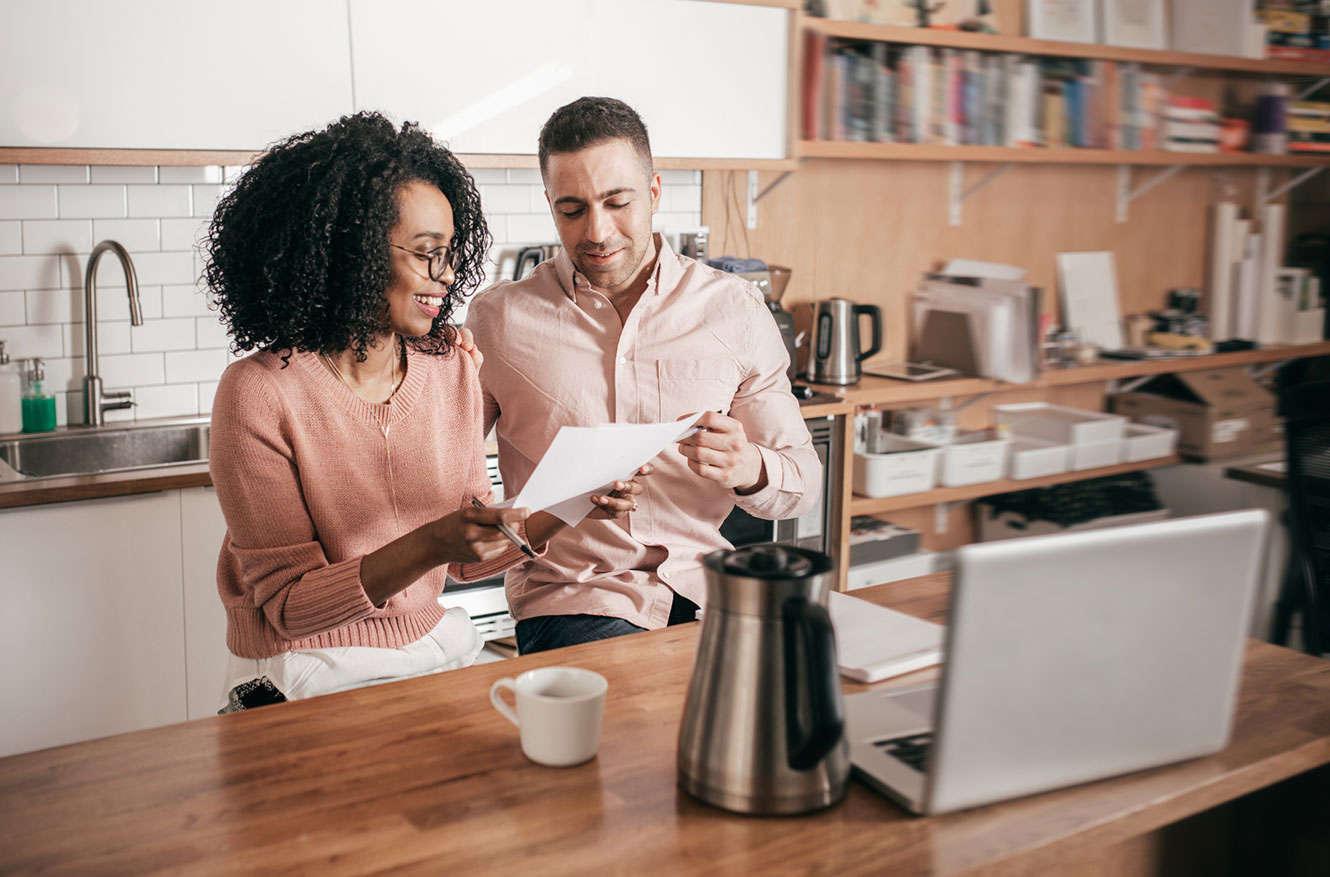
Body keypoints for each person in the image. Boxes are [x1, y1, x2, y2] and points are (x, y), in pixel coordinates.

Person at [203, 111, 644, 709]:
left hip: (429, 649)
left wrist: (570, 508)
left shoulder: (451, 368)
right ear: (348, 250)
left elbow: (465, 560)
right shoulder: (259, 392)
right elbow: (289, 608)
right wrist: (432, 544)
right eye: (427, 253)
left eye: (452, 253)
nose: (447, 276)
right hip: (302, 670)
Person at [466, 97, 819, 654]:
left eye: (616, 202)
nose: (598, 231)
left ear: (654, 193)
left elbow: (803, 482)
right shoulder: (498, 320)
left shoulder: (735, 310)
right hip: (577, 595)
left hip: (709, 588)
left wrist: (749, 466)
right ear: (550, 206)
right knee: (633, 729)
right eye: (572, 209)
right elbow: (448, 487)